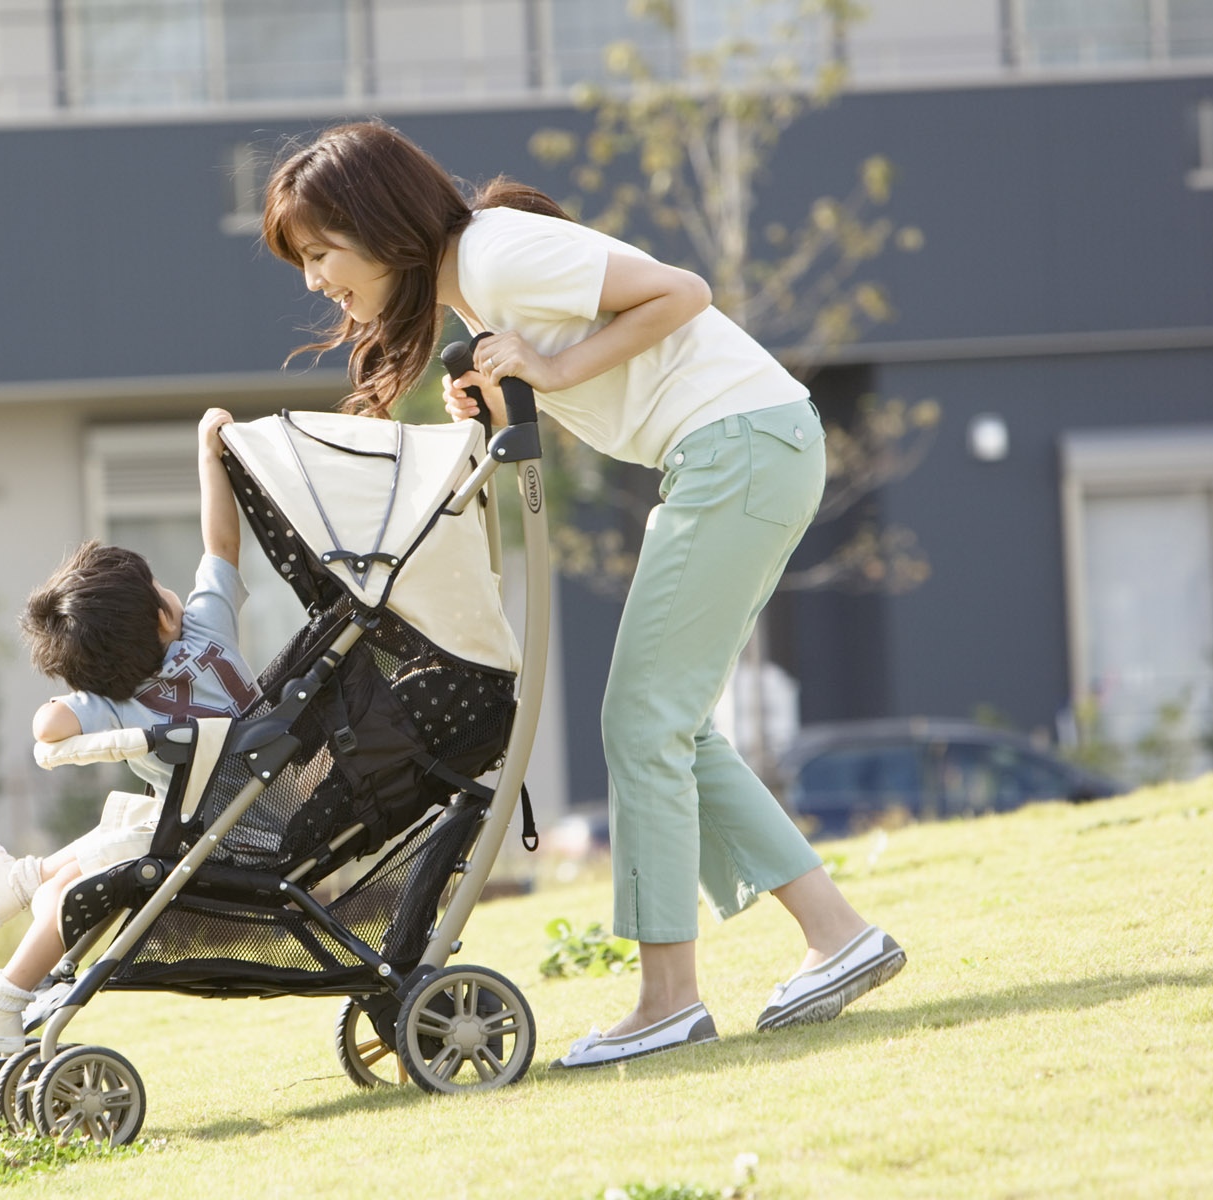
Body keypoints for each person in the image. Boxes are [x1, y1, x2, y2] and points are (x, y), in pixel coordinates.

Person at [260, 121, 905, 1070]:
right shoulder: (479, 285)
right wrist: (507, 392)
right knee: (667, 724)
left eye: (321, 253)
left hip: (739, 448)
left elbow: (683, 294)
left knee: (644, 722)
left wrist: (551, 371)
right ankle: (835, 934)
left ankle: (669, 999)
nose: (316, 280)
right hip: (733, 453)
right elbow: (609, 364)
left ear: (379, 222)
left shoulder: (499, 252)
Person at [0, 408, 256, 1053]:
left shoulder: (114, 704)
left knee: (77, 883)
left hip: (208, 840)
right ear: (163, 617)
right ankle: (19, 888)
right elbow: (221, 545)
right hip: (257, 817)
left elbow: (48, 724)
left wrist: (87, 691)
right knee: (119, 832)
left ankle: (4, 996)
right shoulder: (210, 630)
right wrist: (209, 456)